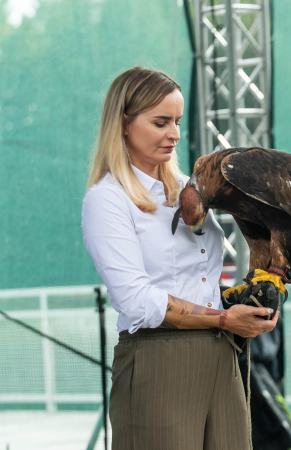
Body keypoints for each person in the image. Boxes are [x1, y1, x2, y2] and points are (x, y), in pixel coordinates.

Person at [82, 66, 278, 450]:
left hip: (221, 356)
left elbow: (199, 280)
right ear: (123, 124)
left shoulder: (189, 189)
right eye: (160, 122)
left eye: (176, 121)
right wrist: (224, 317)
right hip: (159, 360)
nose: (174, 133)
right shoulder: (107, 200)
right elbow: (138, 301)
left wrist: (251, 302)